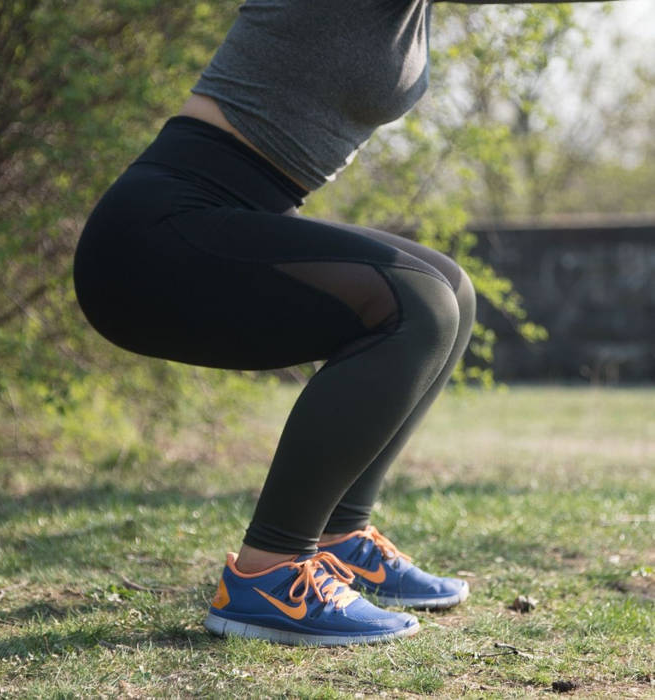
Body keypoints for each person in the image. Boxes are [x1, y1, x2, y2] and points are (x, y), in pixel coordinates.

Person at [73, 0, 620, 646]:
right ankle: (269, 573)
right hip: (154, 236)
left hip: (220, 215)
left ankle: (340, 538)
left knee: (452, 291)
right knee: (415, 305)